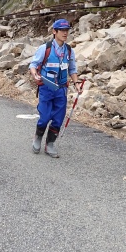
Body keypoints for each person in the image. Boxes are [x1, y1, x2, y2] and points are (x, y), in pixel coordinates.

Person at [29, 19, 83, 158]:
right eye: (62, 30)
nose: (65, 33)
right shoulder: (45, 49)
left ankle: (50, 144)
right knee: (45, 116)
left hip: (61, 89)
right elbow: (33, 65)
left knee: (58, 118)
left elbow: (72, 69)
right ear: (54, 31)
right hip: (46, 88)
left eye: (67, 30)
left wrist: (77, 83)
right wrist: (35, 75)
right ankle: (38, 138)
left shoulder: (69, 51)